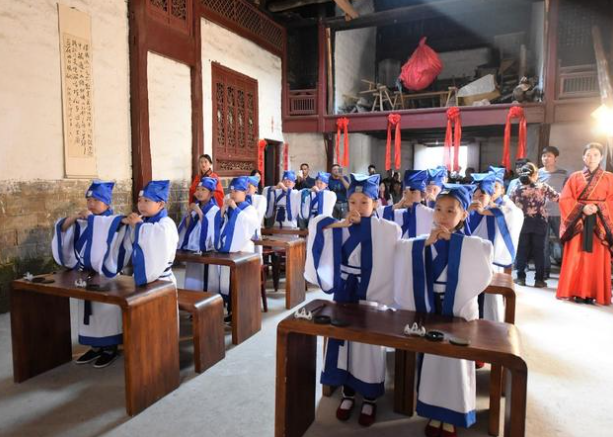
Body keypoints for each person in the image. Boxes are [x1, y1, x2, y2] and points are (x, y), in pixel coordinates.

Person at [394, 184, 494, 437]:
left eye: (451, 210)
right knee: (432, 359)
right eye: (438, 209)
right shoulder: (423, 241)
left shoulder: (472, 244)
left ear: (464, 215)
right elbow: (401, 251)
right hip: (431, 307)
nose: (443, 215)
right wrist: (424, 244)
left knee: (455, 363)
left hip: (458, 312)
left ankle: (453, 416)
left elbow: (485, 257)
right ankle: (432, 411)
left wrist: (455, 242)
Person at [305, 173, 402, 427]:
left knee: (368, 345)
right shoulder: (341, 225)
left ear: (375, 203)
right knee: (343, 341)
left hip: (371, 294)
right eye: (352, 202)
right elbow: (318, 226)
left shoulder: (385, 229)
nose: (357, 208)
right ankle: (347, 393)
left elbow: (396, 244)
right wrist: (340, 225)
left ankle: (369, 397)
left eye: (364, 202)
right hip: (344, 292)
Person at [52, 181, 131, 368]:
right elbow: (63, 228)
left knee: (106, 312)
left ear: (106, 202)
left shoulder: (111, 221)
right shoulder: (87, 221)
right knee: (91, 315)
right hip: (86, 275)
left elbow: (117, 229)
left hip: (107, 275)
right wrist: (75, 217)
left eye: (96, 200)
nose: (91, 204)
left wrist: (92, 220)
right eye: (89, 200)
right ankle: (95, 347)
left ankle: (110, 348)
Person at [557, 142, 613, 306]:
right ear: (583, 157)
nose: (591, 158)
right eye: (588, 155)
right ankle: (576, 291)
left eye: (595, 155)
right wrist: (582, 208)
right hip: (579, 223)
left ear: (601, 157)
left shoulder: (609, 177)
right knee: (577, 256)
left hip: (600, 223)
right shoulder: (574, 177)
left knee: (597, 258)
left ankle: (594, 292)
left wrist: (599, 207)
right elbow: (565, 199)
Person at [468, 171, 523, 322]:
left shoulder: (501, 209)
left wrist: (490, 211)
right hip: (470, 259)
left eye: (482, 195)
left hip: (491, 259)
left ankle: (492, 324)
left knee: (490, 299)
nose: (477, 199)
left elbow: (515, 214)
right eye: (474, 195)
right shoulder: (470, 209)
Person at [210, 176, 261, 318]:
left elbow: (250, 225)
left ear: (245, 192)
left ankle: (241, 313)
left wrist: (234, 208)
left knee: (239, 283)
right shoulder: (229, 208)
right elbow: (219, 224)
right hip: (229, 251)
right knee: (227, 282)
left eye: (236, 192)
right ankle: (230, 310)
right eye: (231, 192)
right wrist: (223, 209)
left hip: (243, 250)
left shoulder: (249, 209)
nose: (233, 194)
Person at [509, 163, 559, 288]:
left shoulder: (516, 188)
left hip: (522, 221)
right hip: (540, 222)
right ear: (535, 174)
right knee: (539, 251)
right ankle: (539, 280)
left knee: (522, 250)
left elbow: (510, 204)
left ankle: (521, 278)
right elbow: (557, 198)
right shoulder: (542, 186)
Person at [123, 180, 179, 286]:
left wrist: (138, 226)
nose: (141, 205)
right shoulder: (142, 220)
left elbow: (158, 237)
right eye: (139, 200)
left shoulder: (166, 223)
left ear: (161, 204)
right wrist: (125, 223)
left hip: (162, 280)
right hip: (141, 275)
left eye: (146, 201)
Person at [178, 176, 221, 291]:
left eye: (203, 190)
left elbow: (209, 228)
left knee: (205, 279)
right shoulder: (195, 205)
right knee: (192, 276)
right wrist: (188, 213)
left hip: (206, 248)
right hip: (193, 247)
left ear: (211, 193)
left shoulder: (214, 210)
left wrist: (198, 211)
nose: (199, 192)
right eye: (198, 189)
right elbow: (188, 227)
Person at [537, 146, 568, 278]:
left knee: (564, 242)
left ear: (555, 158)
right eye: (544, 156)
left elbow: (568, 192)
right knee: (543, 244)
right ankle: (545, 272)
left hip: (558, 213)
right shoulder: (537, 173)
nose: (546, 158)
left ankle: (568, 271)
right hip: (541, 214)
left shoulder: (564, 173)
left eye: (549, 156)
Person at [380, 169, 434, 239]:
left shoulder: (429, 215)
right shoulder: (400, 215)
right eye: (405, 192)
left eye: (413, 192)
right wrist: (397, 205)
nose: (408, 195)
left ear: (422, 195)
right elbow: (379, 215)